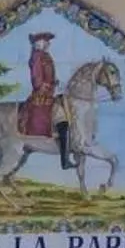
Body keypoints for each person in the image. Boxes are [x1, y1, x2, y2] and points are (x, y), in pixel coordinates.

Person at [22, 31, 74, 170]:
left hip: (50, 93)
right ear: (40, 43)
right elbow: (37, 81)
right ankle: (65, 160)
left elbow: (48, 76)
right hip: (42, 97)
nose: (48, 43)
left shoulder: (45, 56)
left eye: (48, 41)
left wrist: (55, 83)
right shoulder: (37, 57)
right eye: (46, 41)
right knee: (63, 121)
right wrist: (50, 86)